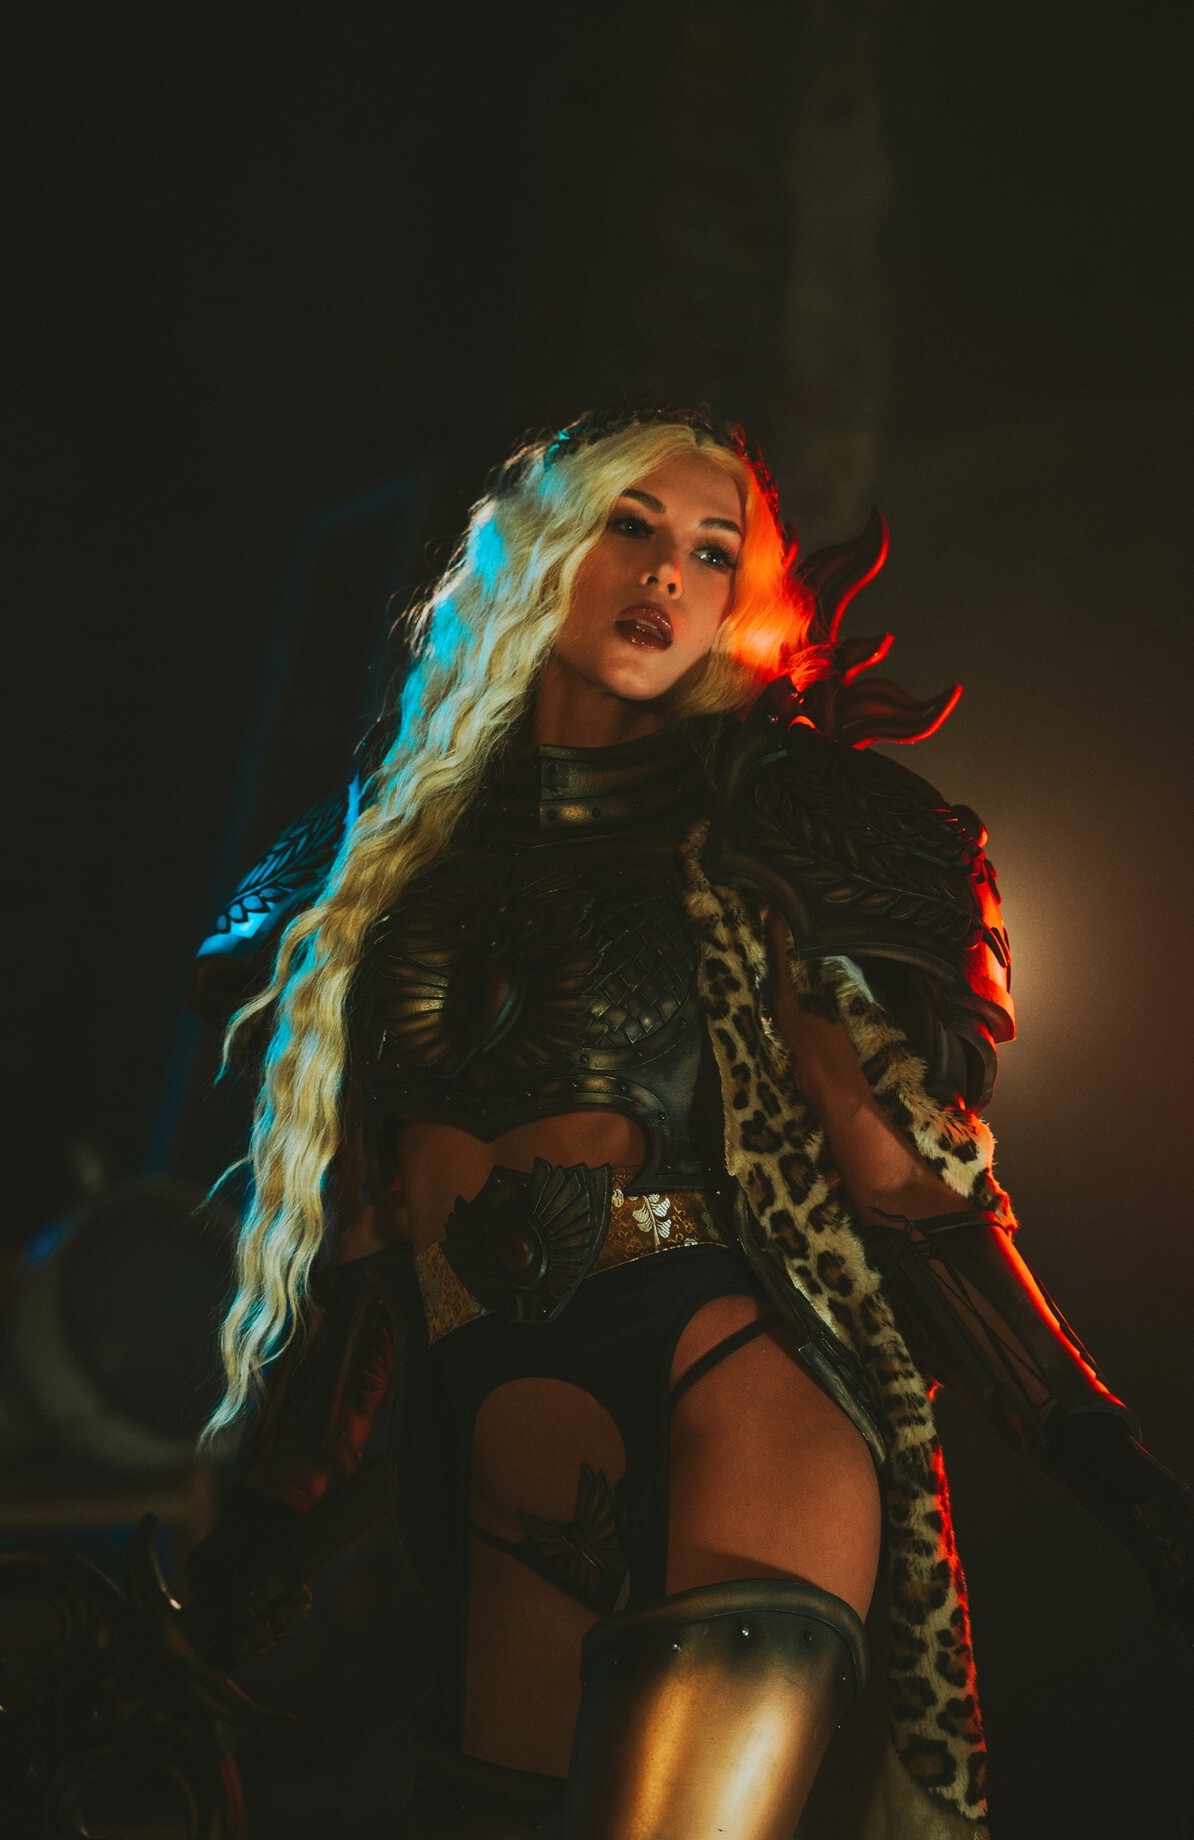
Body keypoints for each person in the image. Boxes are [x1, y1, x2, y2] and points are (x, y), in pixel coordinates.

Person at [184, 406, 1192, 1840]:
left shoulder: (778, 832)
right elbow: (364, 1238)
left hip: (729, 1391)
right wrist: (276, 1509)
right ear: (536, 551)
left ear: (739, 603)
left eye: (712, 551)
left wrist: (1109, 1464)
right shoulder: (367, 876)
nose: (668, 572)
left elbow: (906, 1184)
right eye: (630, 526)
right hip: (500, 1453)